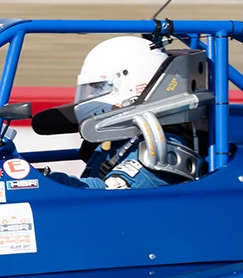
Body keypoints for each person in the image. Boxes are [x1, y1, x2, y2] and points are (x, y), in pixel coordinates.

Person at [44, 36, 199, 190]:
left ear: (134, 86)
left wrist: (46, 182)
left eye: (98, 86)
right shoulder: (120, 137)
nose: (90, 96)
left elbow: (108, 194)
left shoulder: (159, 144)